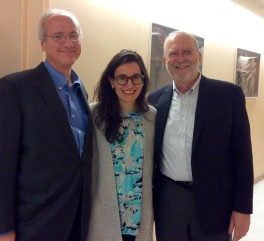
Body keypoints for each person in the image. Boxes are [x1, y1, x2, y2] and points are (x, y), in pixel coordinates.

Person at [0, 9, 93, 241]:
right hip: (35, 222)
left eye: (74, 35)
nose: (68, 42)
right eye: (58, 36)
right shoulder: (15, 88)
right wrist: (2, 230)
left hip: (78, 219)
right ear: (42, 43)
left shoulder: (81, 90)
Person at [148, 31, 254, 241]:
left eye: (187, 52)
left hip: (216, 201)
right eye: (173, 53)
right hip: (169, 200)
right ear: (165, 60)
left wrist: (243, 208)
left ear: (199, 56)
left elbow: (243, 156)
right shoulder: (154, 100)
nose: (180, 59)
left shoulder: (228, 96)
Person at [88, 49, 156, 241]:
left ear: (143, 80)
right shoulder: (94, 115)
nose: (129, 84)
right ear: (111, 81)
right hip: (104, 216)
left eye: (136, 77)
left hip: (138, 218)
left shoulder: (152, 117)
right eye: (122, 78)